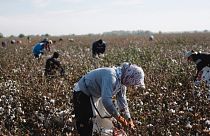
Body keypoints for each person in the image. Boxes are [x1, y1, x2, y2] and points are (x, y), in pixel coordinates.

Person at [72, 62, 145, 136]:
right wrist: (119, 118)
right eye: (132, 83)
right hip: (82, 92)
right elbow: (106, 101)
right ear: (129, 77)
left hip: (94, 94)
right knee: (86, 121)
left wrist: (129, 119)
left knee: (98, 119)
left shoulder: (122, 83)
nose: (131, 85)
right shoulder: (111, 76)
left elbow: (123, 102)